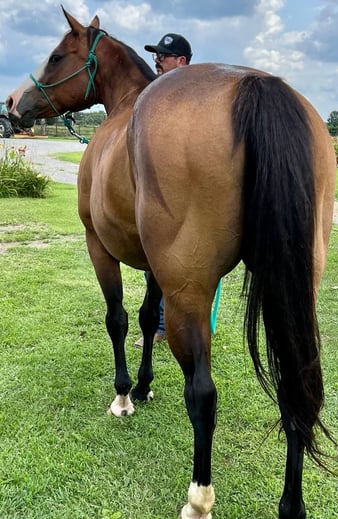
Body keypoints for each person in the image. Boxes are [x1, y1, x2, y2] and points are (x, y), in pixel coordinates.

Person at [133, 34, 193, 349]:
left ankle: (162, 326)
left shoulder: (188, 98)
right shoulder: (157, 96)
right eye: (157, 55)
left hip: (183, 197)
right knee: (153, 265)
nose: (157, 61)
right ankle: (161, 325)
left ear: (181, 61)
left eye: (164, 56)